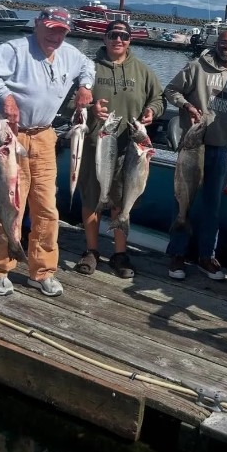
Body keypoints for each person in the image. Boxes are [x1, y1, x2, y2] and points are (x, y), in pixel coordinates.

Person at [0, 7, 95, 297]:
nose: (54, 35)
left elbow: (89, 66)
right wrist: (3, 95)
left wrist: (85, 86)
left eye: (61, 30)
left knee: (47, 207)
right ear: (37, 25)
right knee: (10, 205)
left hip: (45, 136)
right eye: (49, 28)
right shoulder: (16, 49)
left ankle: (42, 270)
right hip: (9, 137)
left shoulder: (71, 54)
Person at [74, 20, 166, 279]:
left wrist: (152, 112)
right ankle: (91, 251)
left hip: (130, 149)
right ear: (104, 38)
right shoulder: (88, 69)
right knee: (92, 199)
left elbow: (158, 99)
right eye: (113, 35)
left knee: (120, 201)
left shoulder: (142, 71)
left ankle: (120, 253)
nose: (119, 40)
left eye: (124, 36)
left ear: (130, 40)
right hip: (95, 145)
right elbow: (71, 100)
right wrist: (89, 110)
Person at [165, 28, 227, 280]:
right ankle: (177, 253)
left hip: (219, 149)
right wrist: (186, 105)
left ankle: (206, 256)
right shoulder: (196, 66)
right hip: (192, 146)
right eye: (223, 42)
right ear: (216, 43)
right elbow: (170, 90)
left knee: (213, 206)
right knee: (183, 200)